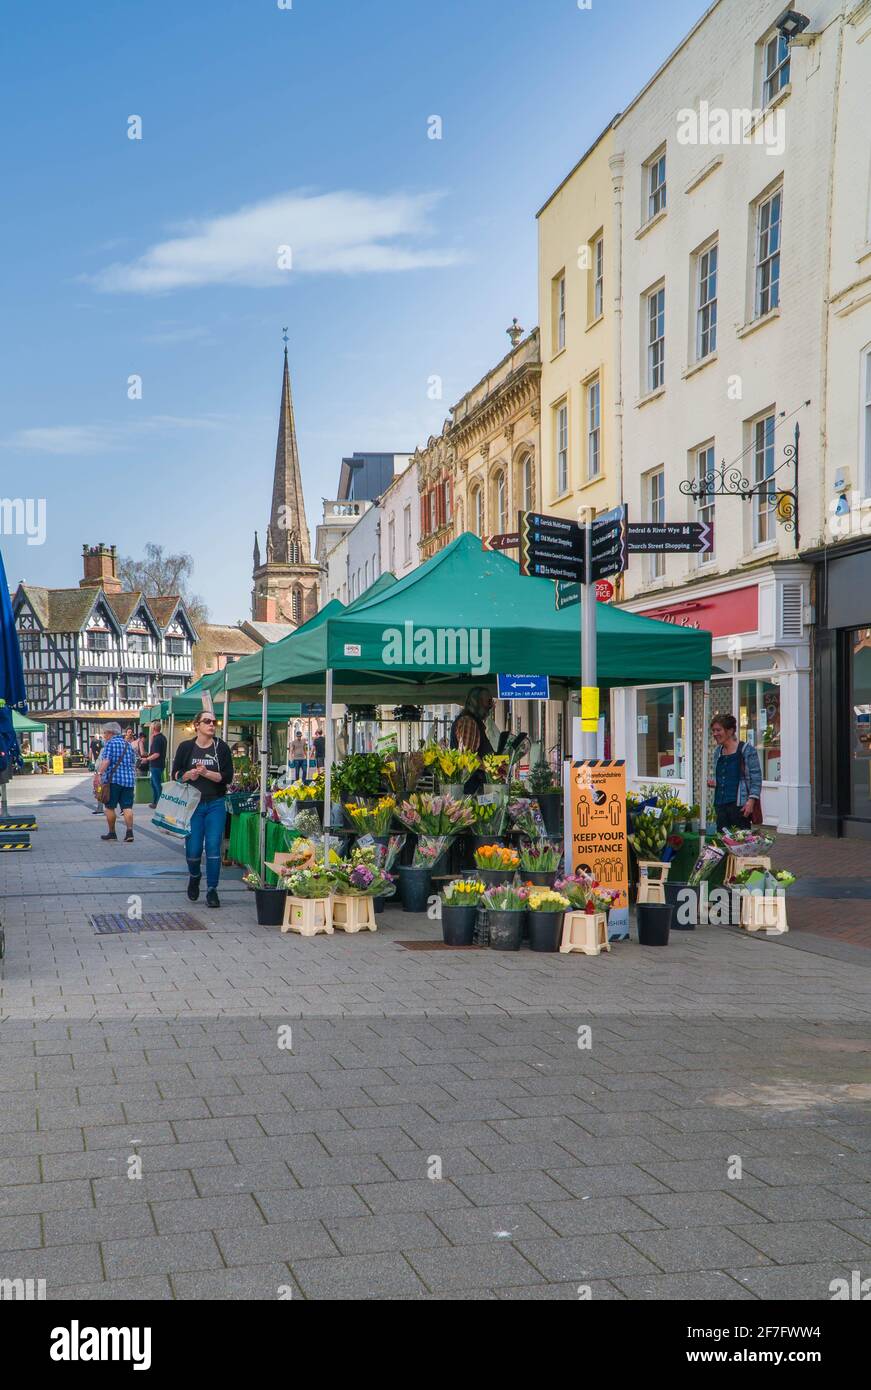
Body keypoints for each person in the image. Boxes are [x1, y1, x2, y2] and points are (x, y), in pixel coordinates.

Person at [172, 711, 234, 908]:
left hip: (215, 803)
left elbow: (227, 778)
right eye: (207, 721)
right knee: (194, 849)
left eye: (213, 721)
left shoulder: (221, 748)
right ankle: (195, 875)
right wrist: (187, 774)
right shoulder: (186, 747)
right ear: (197, 725)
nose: (211, 724)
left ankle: (212, 890)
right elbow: (175, 774)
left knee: (214, 846)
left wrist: (207, 773)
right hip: (193, 805)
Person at [450, 687, 526, 793]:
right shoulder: (469, 722)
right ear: (477, 702)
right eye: (489, 702)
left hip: (472, 786)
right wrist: (493, 769)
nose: (491, 706)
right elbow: (468, 756)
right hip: (471, 788)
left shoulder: (473, 722)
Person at [710, 713, 762, 832]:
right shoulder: (718, 751)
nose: (715, 734)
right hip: (720, 804)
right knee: (723, 840)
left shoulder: (746, 750)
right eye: (713, 730)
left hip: (739, 805)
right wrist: (714, 781)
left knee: (740, 842)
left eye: (718, 730)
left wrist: (751, 801)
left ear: (730, 731)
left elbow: (756, 778)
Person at [94, 722, 138, 843]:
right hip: (129, 781)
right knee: (127, 807)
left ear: (111, 733)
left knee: (109, 807)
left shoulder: (110, 744)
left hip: (113, 781)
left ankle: (112, 833)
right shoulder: (128, 745)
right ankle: (130, 832)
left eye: (105, 733)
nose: (104, 736)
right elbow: (134, 763)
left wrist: (99, 774)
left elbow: (106, 761)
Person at [141, 719, 167, 807]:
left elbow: (156, 754)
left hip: (156, 765)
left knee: (156, 784)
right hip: (160, 764)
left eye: (151, 727)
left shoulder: (157, 739)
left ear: (154, 728)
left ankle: (159, 803)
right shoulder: (162, 737)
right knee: (154, 783)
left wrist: (147, 759)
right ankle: (155, 802)